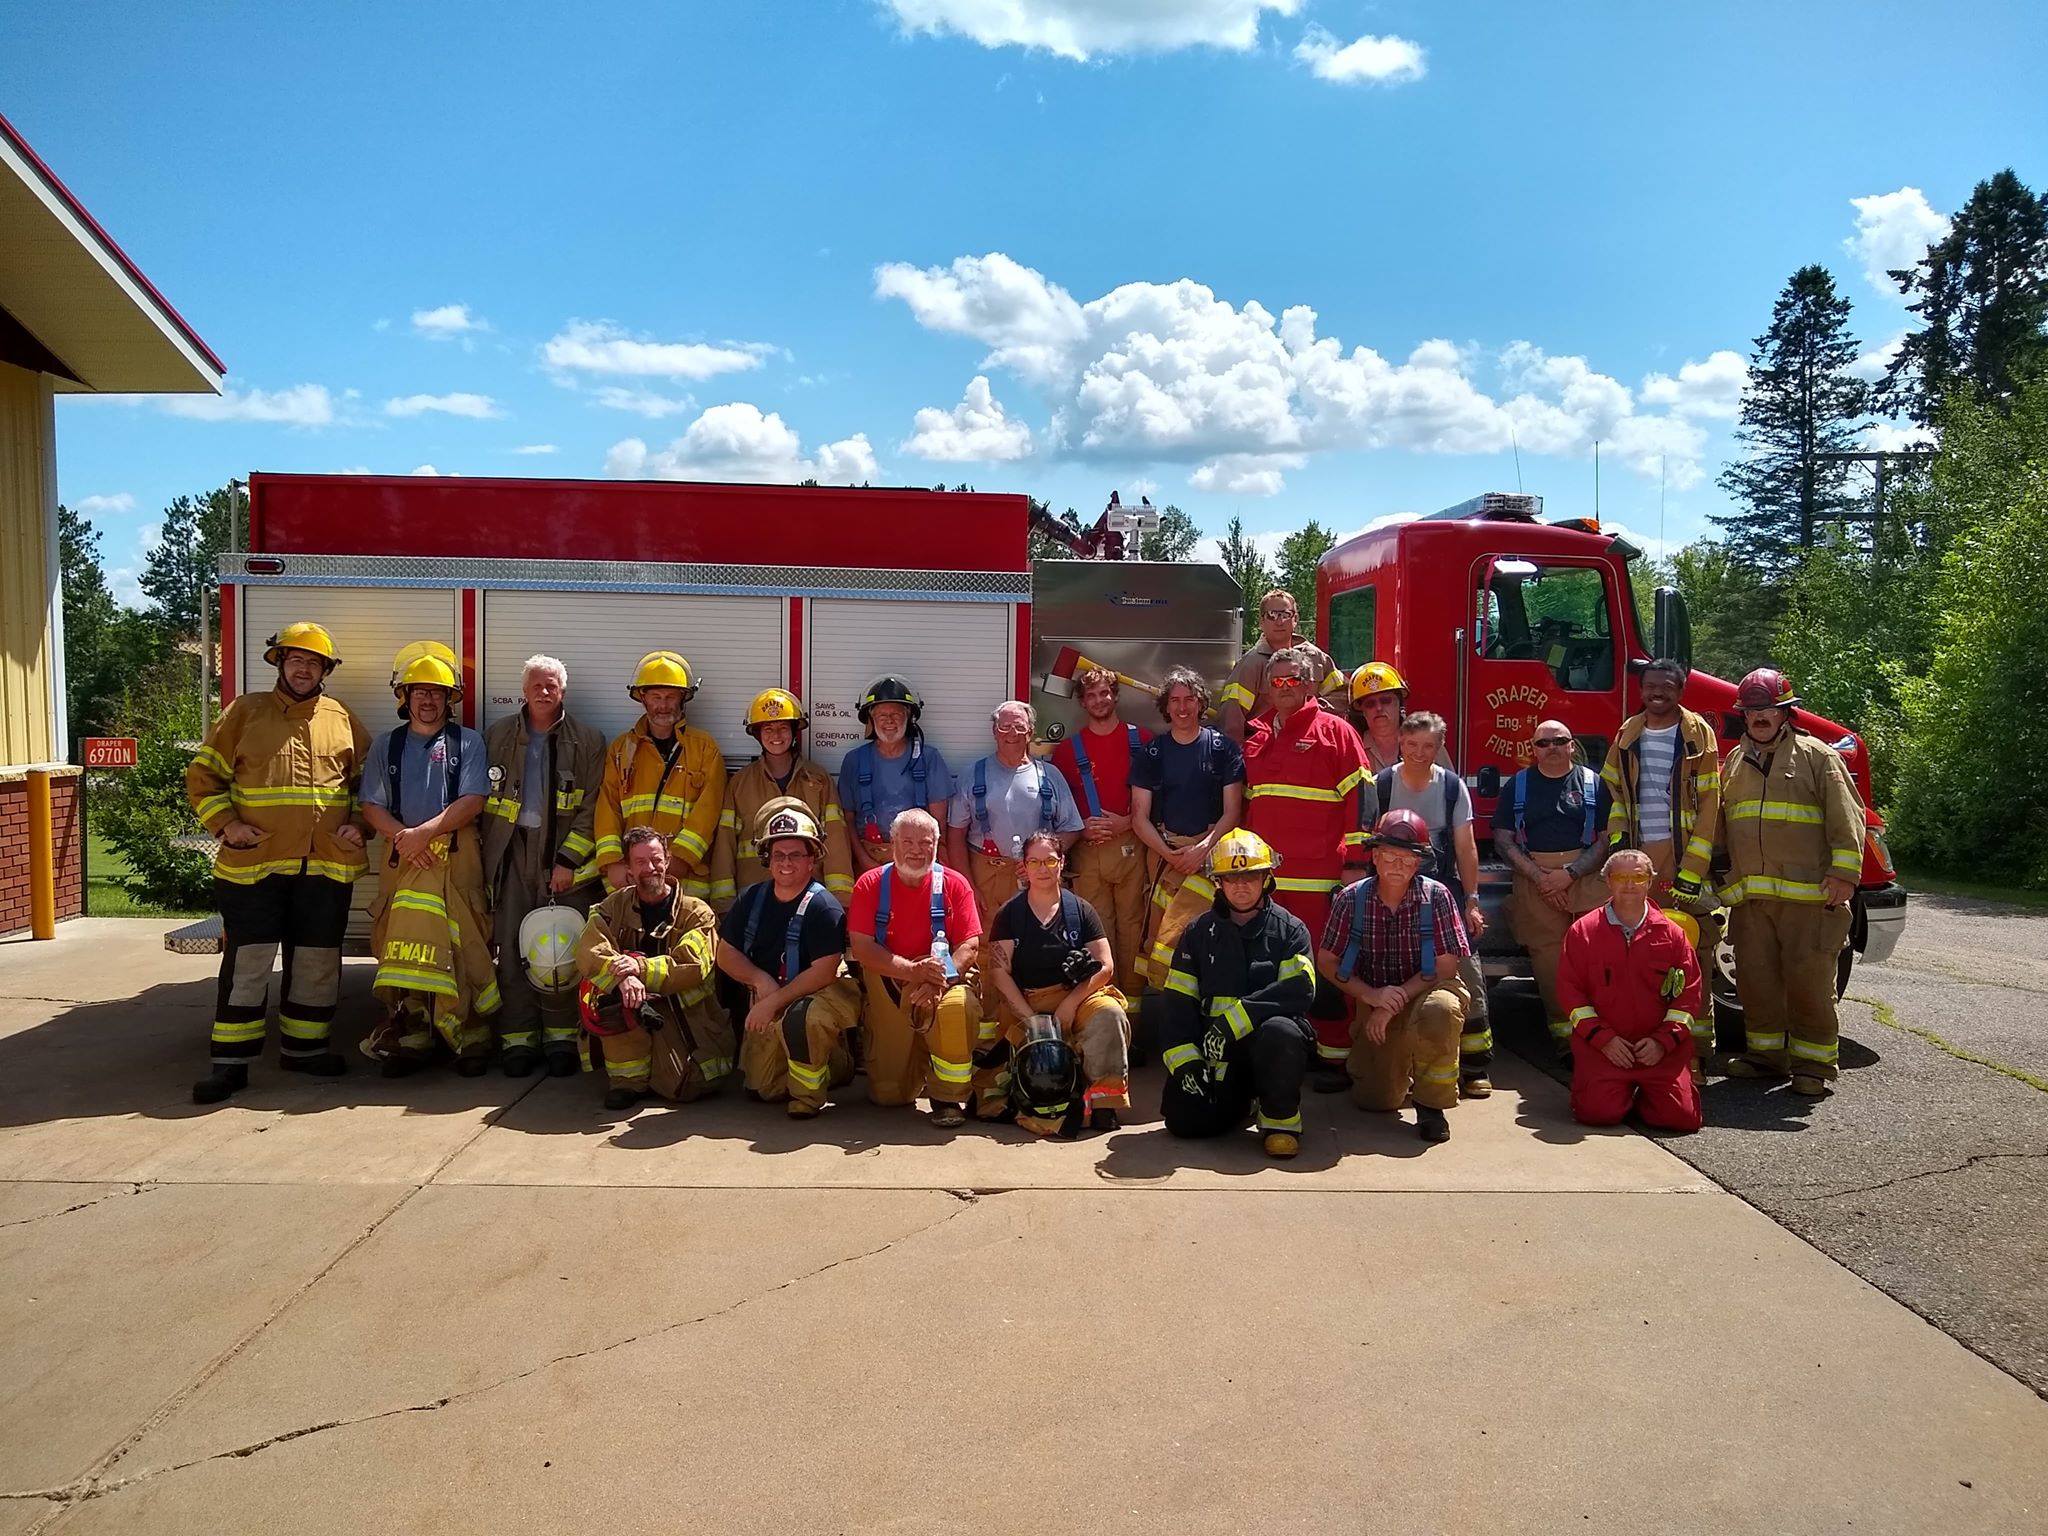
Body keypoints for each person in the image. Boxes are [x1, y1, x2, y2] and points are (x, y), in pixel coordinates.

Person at [185, 622, 370, 1104]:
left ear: (325, 669)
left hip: (326, 865)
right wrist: (226, 826)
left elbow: (370, 783)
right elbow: (203, 776)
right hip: (255, 865)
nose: (303, 669)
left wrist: (360, 823)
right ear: (279, 663)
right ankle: (231, 1063)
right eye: (295, 660)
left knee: (317, 961)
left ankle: (305, 1050)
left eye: (313, 662)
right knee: (248, 963)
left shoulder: (340, 716)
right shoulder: (246, 712)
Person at [1718, 668, 1865, 1096]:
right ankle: (1765, 1057)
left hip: (1811, 899)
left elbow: (1847, 819)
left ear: (1786, 713)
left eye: (1768, 710)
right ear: (1743, 716)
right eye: (1751, 711)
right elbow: (1725, 827)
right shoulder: (1733, 762)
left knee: (1810, 984)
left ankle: (1813, 1068)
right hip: (1753, 902)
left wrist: (1843, 875)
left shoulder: (1818, 757)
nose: (1759, 717)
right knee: (1755, 982)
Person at [358, 647, 497, 1077]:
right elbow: (370, 805)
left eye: (437, 693)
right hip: (403, 854)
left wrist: (422, 834)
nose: (428, 701)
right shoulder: (387, 745)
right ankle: (413, 1031)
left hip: (456, 856)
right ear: (404, 696)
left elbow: (473, 800)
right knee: (403, 945)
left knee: (465, 942)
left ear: (450, 698)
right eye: (419, 692)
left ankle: (470, 1035)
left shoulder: (468, 742)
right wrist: (406, 838)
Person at [1243, 646, 1372, 1090]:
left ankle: (1335, 1056)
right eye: (1275, 682)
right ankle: (1282, 1046)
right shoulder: (1256, 735)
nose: (1283, 688)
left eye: (1292, 680)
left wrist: (1356, 864)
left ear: (1310, 684)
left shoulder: (1335, 732)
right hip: (1267, 883)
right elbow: (1249, 807)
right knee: (1274, 966)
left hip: (1320, 880)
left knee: (1325, 965)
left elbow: (1363, 798)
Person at [1156, 829, 1318, 1159]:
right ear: (1218, 882)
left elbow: (1299, 989)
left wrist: (1238, 1018)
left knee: (1281, 1031)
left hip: (1270, 1048)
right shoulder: (1198, 932)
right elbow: (1178, 1003)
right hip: (1218, 1055)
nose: (1241, 886)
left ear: (1266, 879)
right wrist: (1187, 1063)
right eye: (1231, 878)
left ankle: (1280, 1122)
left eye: (1250, 877)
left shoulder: (1290, 929)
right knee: (1183, 1121)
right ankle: (1241, 1100)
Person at [480, 653, 606, 1078]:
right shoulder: (497, 735)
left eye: (551, 684)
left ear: (563, 691)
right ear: (523, 689)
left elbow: (592, 808)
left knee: (562, 950)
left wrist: (569, 860)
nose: (543, 691)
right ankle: (517, 1039)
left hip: (562, 859)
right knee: (515, 947)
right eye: (536, 684)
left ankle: (560, 1039)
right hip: (512, 855)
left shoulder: (587, 741)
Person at [1316, 810, 1470, 1144]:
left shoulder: (1438, 896)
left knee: (1438, 1013)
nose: (1397, 865)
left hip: (1429, 989)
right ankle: (1399, 1067)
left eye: (1407, 858)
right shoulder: (1350, 899)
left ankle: (1431, 1106)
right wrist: (1370, 997)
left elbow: (1445, 968)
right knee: (1375, 1100)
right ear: (1373, 856)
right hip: (1374, 996)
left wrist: (1391, 1003)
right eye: (1389, 855)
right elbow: (1327, 961)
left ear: (1419, 863)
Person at [1601, 657, 1723, 1074]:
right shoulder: (1628, 732)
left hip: (1680, 855)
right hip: (1638, 862)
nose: (1657, 692)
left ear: (1680, 690)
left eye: (1667, 686)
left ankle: (1694, 1059)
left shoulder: (1697, 735)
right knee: (1641, 959)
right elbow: (1615, 794)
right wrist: (1619, 845)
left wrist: (1692, 869)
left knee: (1690, 957)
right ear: (1641, 689)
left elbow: (1710, 807)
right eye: (1650, 685)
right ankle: (1642, 1055)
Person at [577, 826, 736, 1111]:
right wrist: (623, 977)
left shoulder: (696, 912)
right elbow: (589, 951)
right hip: (634, 1005)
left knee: (684, 1087)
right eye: (640, 862)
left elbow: (692, 964)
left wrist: (638, 968)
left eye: (656, 859)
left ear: (668, 858)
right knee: (609, 995)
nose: (650, 868)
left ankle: (658, 1071)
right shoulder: (614, 906)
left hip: (685, 1019)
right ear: (628, 868)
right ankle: (627, 1081)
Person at [720, 800, 861, 1120]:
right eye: (778, 855)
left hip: (819, 996)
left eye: (796, 854)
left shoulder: (823, 906)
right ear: (767, 859)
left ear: (812, 859)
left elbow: (824, 971)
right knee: (763, 1088)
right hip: (773, 992)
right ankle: (805, 1061)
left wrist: (772, 1002)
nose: (786, 863)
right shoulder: (751, 899)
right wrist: (760, 980)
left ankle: (815, 1087)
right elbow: (725, 953)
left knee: (802, 1018)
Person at [845, 809, 985, 1130]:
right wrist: (913, 972)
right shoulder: (870, 884)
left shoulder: (954, 884)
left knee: (956, 1008)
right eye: (907, 840)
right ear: (892, 843)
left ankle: (947, 1097)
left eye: (926, 842)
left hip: (944, 979)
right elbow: (863, 948)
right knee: (889, 1096)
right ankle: (915, 1057)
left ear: (937, 845)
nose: (917, 850)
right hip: (891, 980)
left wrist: (940, 981)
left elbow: (969, 946)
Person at [1374, 712, 1490, 1096]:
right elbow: (1367, 841)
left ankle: (1475, 1065)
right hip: (1391, 886)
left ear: (1440, 748)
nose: (1420, 753)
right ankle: (1397, 1060)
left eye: (1429, 746)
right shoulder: (1383, 784)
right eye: (1412, 745)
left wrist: (1471, 902)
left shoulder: (1453, 787)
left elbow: (1465, 846)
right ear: (1400, 744)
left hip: (1440, 889)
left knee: (1465, 966)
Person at [985, 830, 1131, 1135]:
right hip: (1029, 1001)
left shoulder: (1080, 910)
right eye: (1034, 862)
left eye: (1050, 860)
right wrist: (1029, 1019)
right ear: (1023, 866)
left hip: (1077, 997)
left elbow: (1106, 965)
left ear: (1061, 863)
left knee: (1110, 1015)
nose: (1042, 869)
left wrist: (1070, 1003)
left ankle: (1105, 1106)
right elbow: (999, 972)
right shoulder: (1010, 915)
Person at [1557, 849, 1704, 1132]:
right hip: (1605, 1051)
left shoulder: (1671, 934)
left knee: (1681, 1120)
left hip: (1659, 1053)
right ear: (1608, 882)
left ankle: (1645, 1097)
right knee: (1597, 1114)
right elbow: (1570, 995)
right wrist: (1604, 1040)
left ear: (1649, 882)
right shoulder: (1583, 932)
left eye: (1638, 877)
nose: (1629, 884)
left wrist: (1663, 1042)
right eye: (1620, 877)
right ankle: (1618, 1095)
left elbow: (1688, 996)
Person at [1494, 719, 1611, 1072]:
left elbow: (1606, 838)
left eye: (1559, 741)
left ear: (1572, 744)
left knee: (1597, 962)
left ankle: (1601, 1037)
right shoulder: (1518, 786)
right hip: (1535, 878)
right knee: (1550, 965)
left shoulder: (1594, 783)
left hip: (1585, 877)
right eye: (1543, 744)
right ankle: (1566, 1042)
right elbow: (1503, 837)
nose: (1552, 748)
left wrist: (1570, 875)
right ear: (1533, 749)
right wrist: (1541, 878)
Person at [1130, 667, 1245, 993]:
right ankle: (1167, 1006)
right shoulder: (1152, 753)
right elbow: (1139, 818)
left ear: (1201, 703)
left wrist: (1202, 850)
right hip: (1165, 857)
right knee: (1163, 933)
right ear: (1165, 707)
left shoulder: (1223, 749)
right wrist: (1170, 854)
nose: (1182, 707)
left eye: (1190, 699)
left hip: (1210, 859)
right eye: (1175, 700)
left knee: (1206, 936)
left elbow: (1233, 811)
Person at [593, 650, 727, 901]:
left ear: (682, 699)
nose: (663, 705)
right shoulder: (622, 749)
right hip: (630, 879)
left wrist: (679, 861)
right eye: (656, 697)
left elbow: (707, 813)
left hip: (684, 881)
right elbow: (607, 806)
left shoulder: (704, 748)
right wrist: (612, 863)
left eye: (670, 697)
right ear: (643, 698)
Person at [1049, 667, 1150, 994]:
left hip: (1132, 848)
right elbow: (1058, 806)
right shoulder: (1066, 751)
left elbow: (1160, 798)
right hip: (1088, 855)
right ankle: (1104, 1007)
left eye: (1105, 692)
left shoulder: (1143, 740)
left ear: (1115, 695)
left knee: (1133, 930)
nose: (1099, 700)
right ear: (1082, 702)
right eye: (1091, 695)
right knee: (1098, 932)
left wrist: (1127, 822)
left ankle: (1133, 1015)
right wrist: (1082, 827)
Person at [947, 700, 1084, 936]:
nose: (1012, 733)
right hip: (986, 877)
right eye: (1004, 726)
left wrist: (1042, 857)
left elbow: (1072, 829)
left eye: (1019, 727)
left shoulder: (1050, 776)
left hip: (1038, 876)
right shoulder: (972, 775)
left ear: (1030, 732)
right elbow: (955, 836)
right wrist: (968, 887)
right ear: (994, 731)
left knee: (1038, 942)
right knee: (986, 946)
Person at [709, 688, 854, 910]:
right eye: (768, 729)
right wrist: (724, 907)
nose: (776, 736)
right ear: (757, 734)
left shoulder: (818, 780)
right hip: (754, 898)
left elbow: (836, 842)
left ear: (794, 731)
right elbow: (725, 845)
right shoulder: (740, 783)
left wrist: (840, 904)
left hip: (808, 899)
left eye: (783, 728)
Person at [838, 675, 954, 874]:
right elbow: (847, 820)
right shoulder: (854, 761)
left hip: (918, 857)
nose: (889, 721)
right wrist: (864, 861)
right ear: (871, 720)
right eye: (882, 715)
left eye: (896, 714)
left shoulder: (929, 758)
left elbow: (939, 823)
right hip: (869, 858)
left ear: (909, 717)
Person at [1218, 589, 1347, 742]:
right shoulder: (1250, 665)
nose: (1279, 622)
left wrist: (1312, 713)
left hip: (1312, 746)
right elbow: (1231, 720)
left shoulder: (1316, 657)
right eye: (1272, 615)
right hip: (1268, 748)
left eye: (1285, 615)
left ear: (1295, 619)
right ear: (1261, 622)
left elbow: (1341, 695)